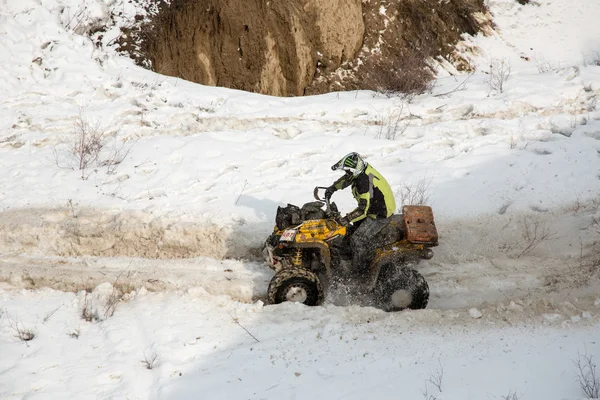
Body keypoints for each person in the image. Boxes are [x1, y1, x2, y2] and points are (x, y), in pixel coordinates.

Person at [325, 152, 397, 273]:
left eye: (348, 171)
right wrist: (333, 188)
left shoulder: (363, 182)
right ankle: (351, 254)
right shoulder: (361, 171)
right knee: (351, 230)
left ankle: (360, 271)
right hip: (375, 207)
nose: (346, 173)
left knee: (357, 239)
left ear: (354, 170)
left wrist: (345, 220)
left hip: (380, 215)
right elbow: (348, 179)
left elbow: (363, 210)